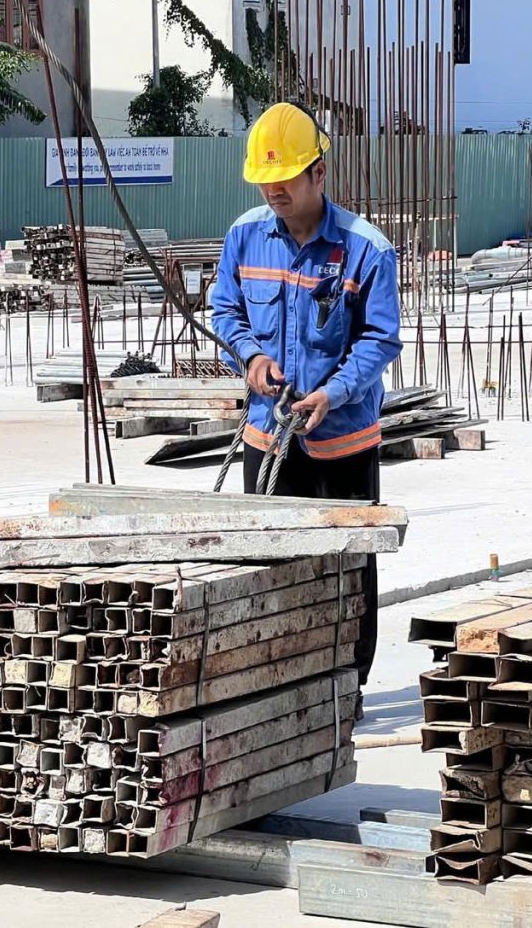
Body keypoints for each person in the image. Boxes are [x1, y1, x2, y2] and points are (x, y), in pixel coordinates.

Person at [209, 102, 403, 702]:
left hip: (342, 440)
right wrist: (250, 358)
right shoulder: (245, 237)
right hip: (268, 436)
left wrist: (334, 391)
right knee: (272, 565)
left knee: (347, 569)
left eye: (286, 180)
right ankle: (282, 685)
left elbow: (380, 339)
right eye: (265, 182)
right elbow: (225, 313)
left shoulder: (366, 250)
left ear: (319, 172)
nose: (274, 192)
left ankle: (348, 689)